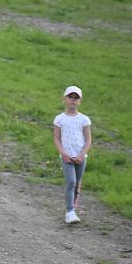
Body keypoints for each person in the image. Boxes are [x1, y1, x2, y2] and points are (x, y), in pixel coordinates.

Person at [53, 85, 92, 224]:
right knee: (71, 182)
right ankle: (69, 212)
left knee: (76, 184)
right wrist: (63, 153)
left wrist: (82, 155)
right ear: (64, 99)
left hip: (81, 157)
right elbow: (56, 138)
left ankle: (73, 209)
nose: (73, 100)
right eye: (70, 97)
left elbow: (88, 140)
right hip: (66, 156)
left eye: (76, 98)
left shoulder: (84, 119)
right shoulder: (59, 119)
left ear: (80, 101)